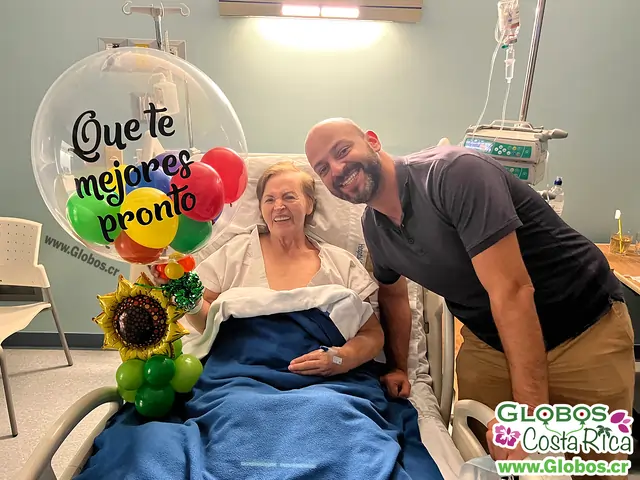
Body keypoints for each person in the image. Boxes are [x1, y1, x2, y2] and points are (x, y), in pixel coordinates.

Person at [304, 117, 635, 477]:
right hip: (490, 339)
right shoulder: (375, 229)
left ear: (372, 141)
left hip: (582, 327)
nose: (337, 169)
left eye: (342, 151)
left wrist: (527, 418)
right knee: (488, 456)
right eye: (323, 168)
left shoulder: (454, 174)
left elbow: (511, 291)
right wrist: (400, 366)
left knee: (589, 467)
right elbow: (394, 295)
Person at [155, 161, 385, 378]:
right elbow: (208, 324)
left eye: (289, 197)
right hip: (240, 375)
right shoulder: (237, 252)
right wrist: (185, 296)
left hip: (322, 382)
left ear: (309, 204)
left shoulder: (340, 263)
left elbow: (373, 334)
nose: (279, 206)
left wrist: (339, 359)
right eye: (269, 199)